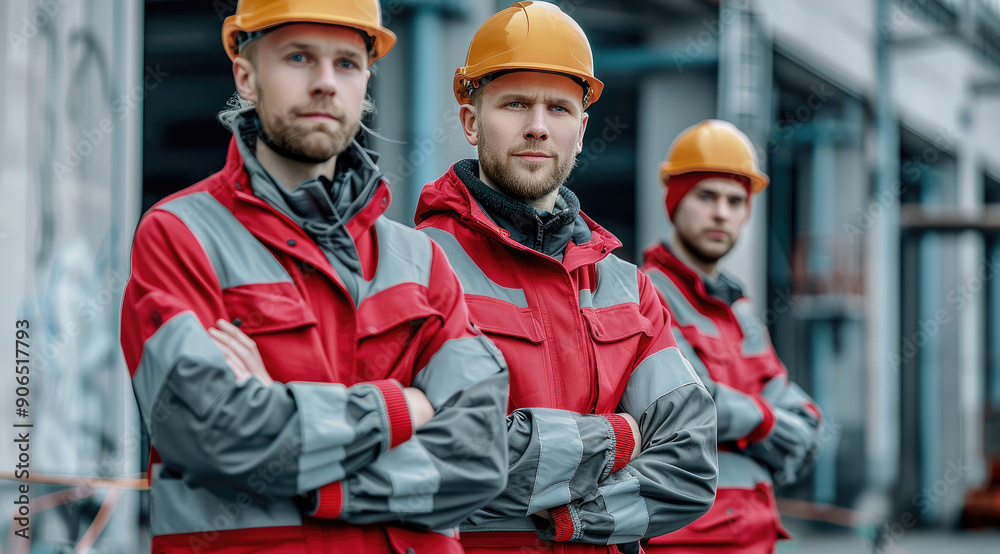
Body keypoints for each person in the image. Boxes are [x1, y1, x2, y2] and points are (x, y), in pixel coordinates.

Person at [119, 1, 509, 552]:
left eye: (347, 63)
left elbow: (478, 455)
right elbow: (213, 434)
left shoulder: (421, 262)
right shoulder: (181, 236)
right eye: (299, 57)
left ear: (366, 81)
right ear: (246, 75)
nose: (326, 83)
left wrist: (312, 468)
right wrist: (406, 408)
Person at [414, 3, 719, 553]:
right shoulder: (415, 265)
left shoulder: (629, 288)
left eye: (558, 108)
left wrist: (570, 519)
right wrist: (624, 437)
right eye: (514, 104)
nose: (537, 126)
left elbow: (691, 466)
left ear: (580, 131)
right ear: (470, 120)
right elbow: (433, 462)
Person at [639, 119, 823, 553]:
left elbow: (805, 415)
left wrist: (750, 420)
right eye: (706, 196)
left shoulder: (742, 315)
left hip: (756, 536)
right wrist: (768, 421)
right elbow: (690, 406)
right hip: (682, 539)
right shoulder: (644, 294)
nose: (722, 212)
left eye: (736, 201)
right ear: (675, 202)